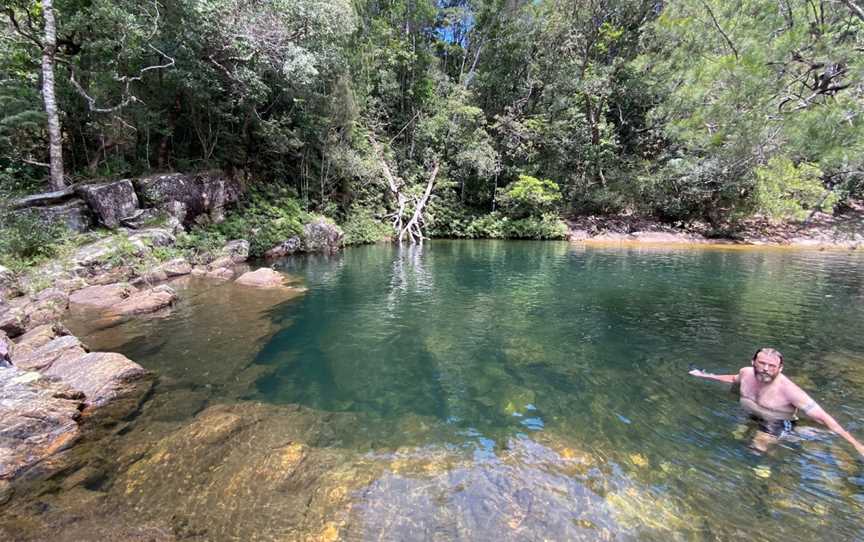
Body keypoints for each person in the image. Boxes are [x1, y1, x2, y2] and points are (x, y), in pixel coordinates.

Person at [689, 347, 864, 457]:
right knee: (730, 435)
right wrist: (706, 375)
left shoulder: (790, 391)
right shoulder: (746, 373)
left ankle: (770, 465)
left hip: (776, 423)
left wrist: (856, 444)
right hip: (750, 414)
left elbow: (824, 417)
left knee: (754, 452)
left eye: (772, 366)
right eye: (762, 363)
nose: (765, 369)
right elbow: (733, 378)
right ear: (753, 362)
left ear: (780, 368)